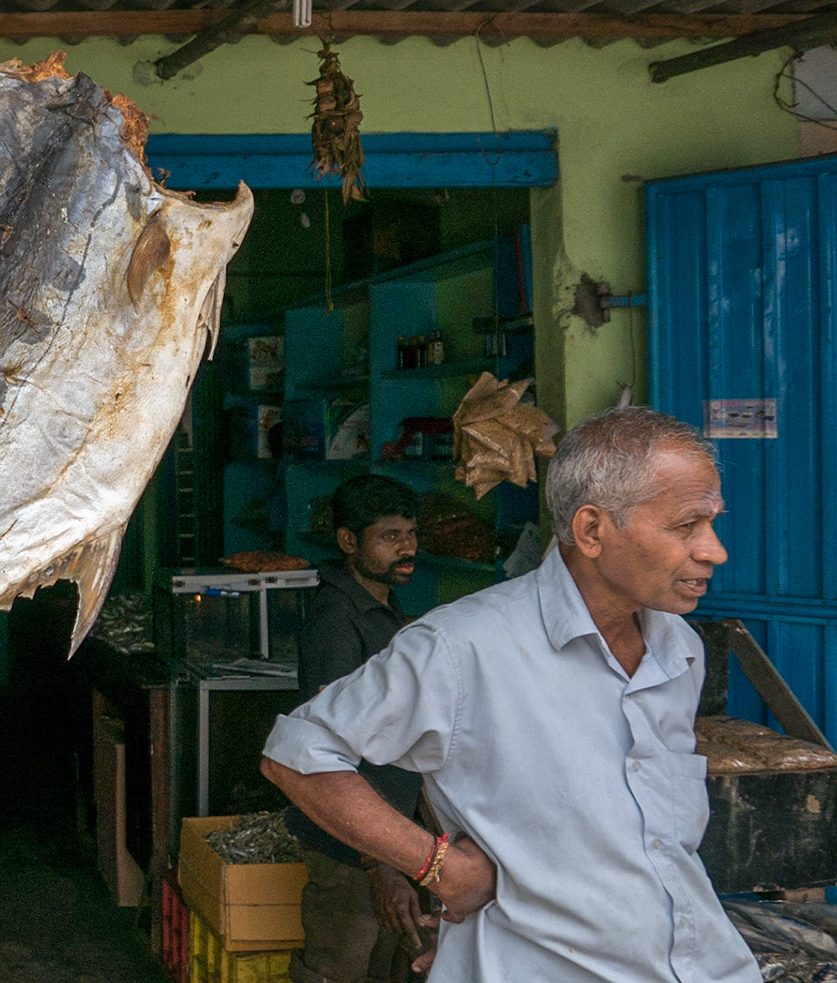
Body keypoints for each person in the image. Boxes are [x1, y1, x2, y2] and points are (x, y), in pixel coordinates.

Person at [262, 407, 760, 983]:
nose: (714, 550)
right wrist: (437, 867)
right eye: (686, 527)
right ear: (592, 530)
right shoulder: (462, 646)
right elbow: (298, 753)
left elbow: (645, 846)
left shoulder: (679, 650)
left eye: (712, 524)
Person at [286, 474, 426, 983]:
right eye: (390, 537)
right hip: (349, 848)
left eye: (410, 534)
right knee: (337, 968)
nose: (407, 549)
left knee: (393, 967)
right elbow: (328, 751)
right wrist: (378, 864)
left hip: (393, 834)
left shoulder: (384, 607)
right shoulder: (335, 620)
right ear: (349, 542)